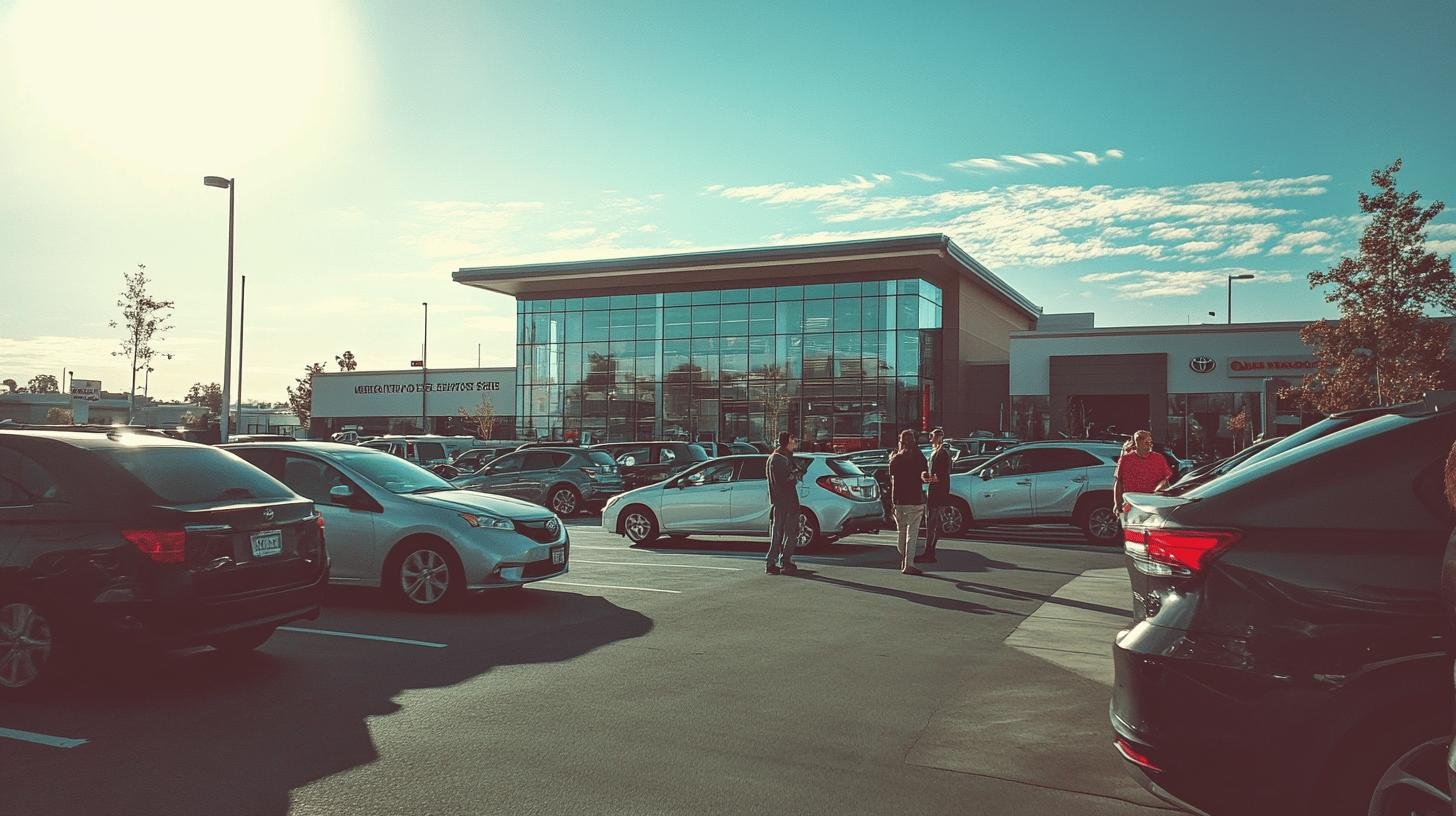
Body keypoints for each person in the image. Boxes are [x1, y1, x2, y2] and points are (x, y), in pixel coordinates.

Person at [888, 428, 930, 575]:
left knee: (902, 532)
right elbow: (924, 475)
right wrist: (926, 477)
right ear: (914, 442)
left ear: (900, 442)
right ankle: (908, 564)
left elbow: (892, 480)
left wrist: (892, 501)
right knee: (912, 533)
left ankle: (904, 556)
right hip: (915, 499)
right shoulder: (919, 457)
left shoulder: (895, 458)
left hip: (899, 500)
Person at [765, 431, 801, 575]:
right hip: (785, 501)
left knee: (780, 532)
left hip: (781, 501)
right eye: (793, 440)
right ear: (786, 442)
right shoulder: (779, 460)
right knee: (785, 532)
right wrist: (795, 475)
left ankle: (776, 561)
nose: (795, 444)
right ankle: (779, 561)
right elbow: (785, 480)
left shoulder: (779, 458)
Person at [1113, 430, 1173, 510]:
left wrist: (1160, 488)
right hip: (1132, 503)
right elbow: (1119, 482)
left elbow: (1166, 481)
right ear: (1136, 442)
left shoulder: (1159, 459)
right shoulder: (1125, 459)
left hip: (1153, 503)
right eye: (1145, 442)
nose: (1148, 445)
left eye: (1150, 442)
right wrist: (1117, 504)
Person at [919, 427, 952, 564]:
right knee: (932, 522)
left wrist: (927, 478)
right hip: (936, 490)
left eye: (932, 435)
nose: (930, 438)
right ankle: (929, 551)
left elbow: (940, 476)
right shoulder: (937, 452)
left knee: (932, 522)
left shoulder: (941, 454)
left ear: (939, 437)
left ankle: (929, 552)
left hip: (937, 492)